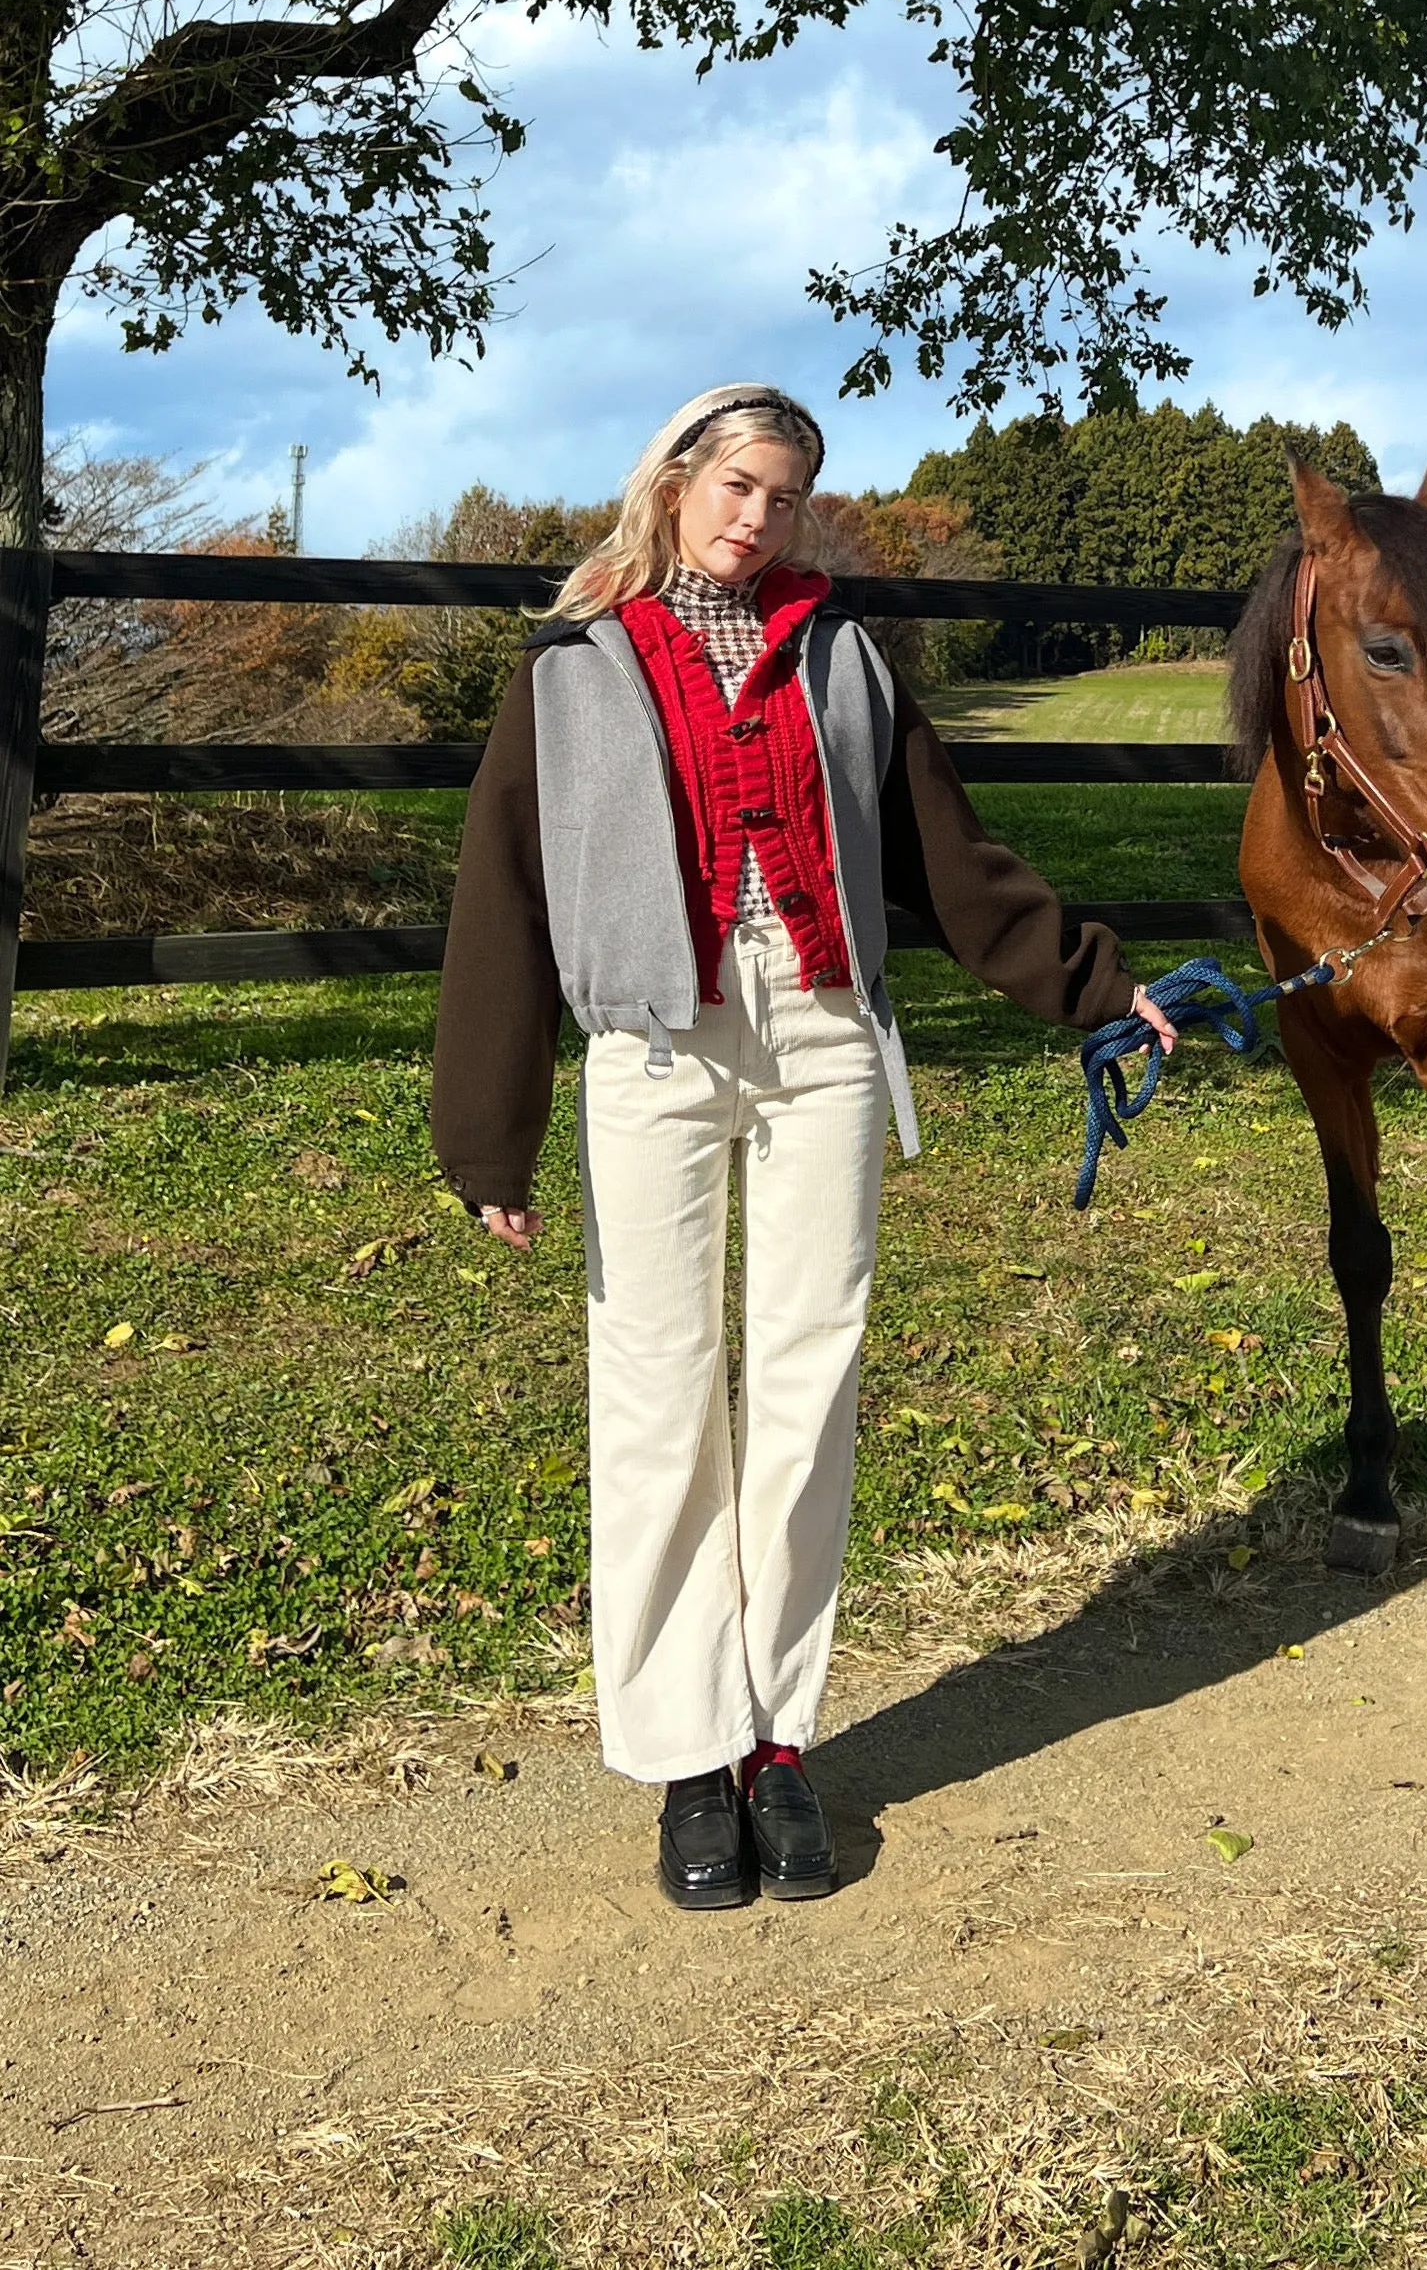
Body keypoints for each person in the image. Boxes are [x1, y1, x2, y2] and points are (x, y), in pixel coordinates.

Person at [430, 383, 1175, 1911]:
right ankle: (681, 1752)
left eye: (787, 495)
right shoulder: (574, 669)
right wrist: (488, 1132)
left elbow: (950, 860)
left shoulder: (843, 654)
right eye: (741, 486)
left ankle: (773, 1736)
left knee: (808, 1374)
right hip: (654, 1047)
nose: (760, 518)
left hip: (827, 1033)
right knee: (655, 1389)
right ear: (677, 479)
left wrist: (1098, 983)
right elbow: (502, 895)